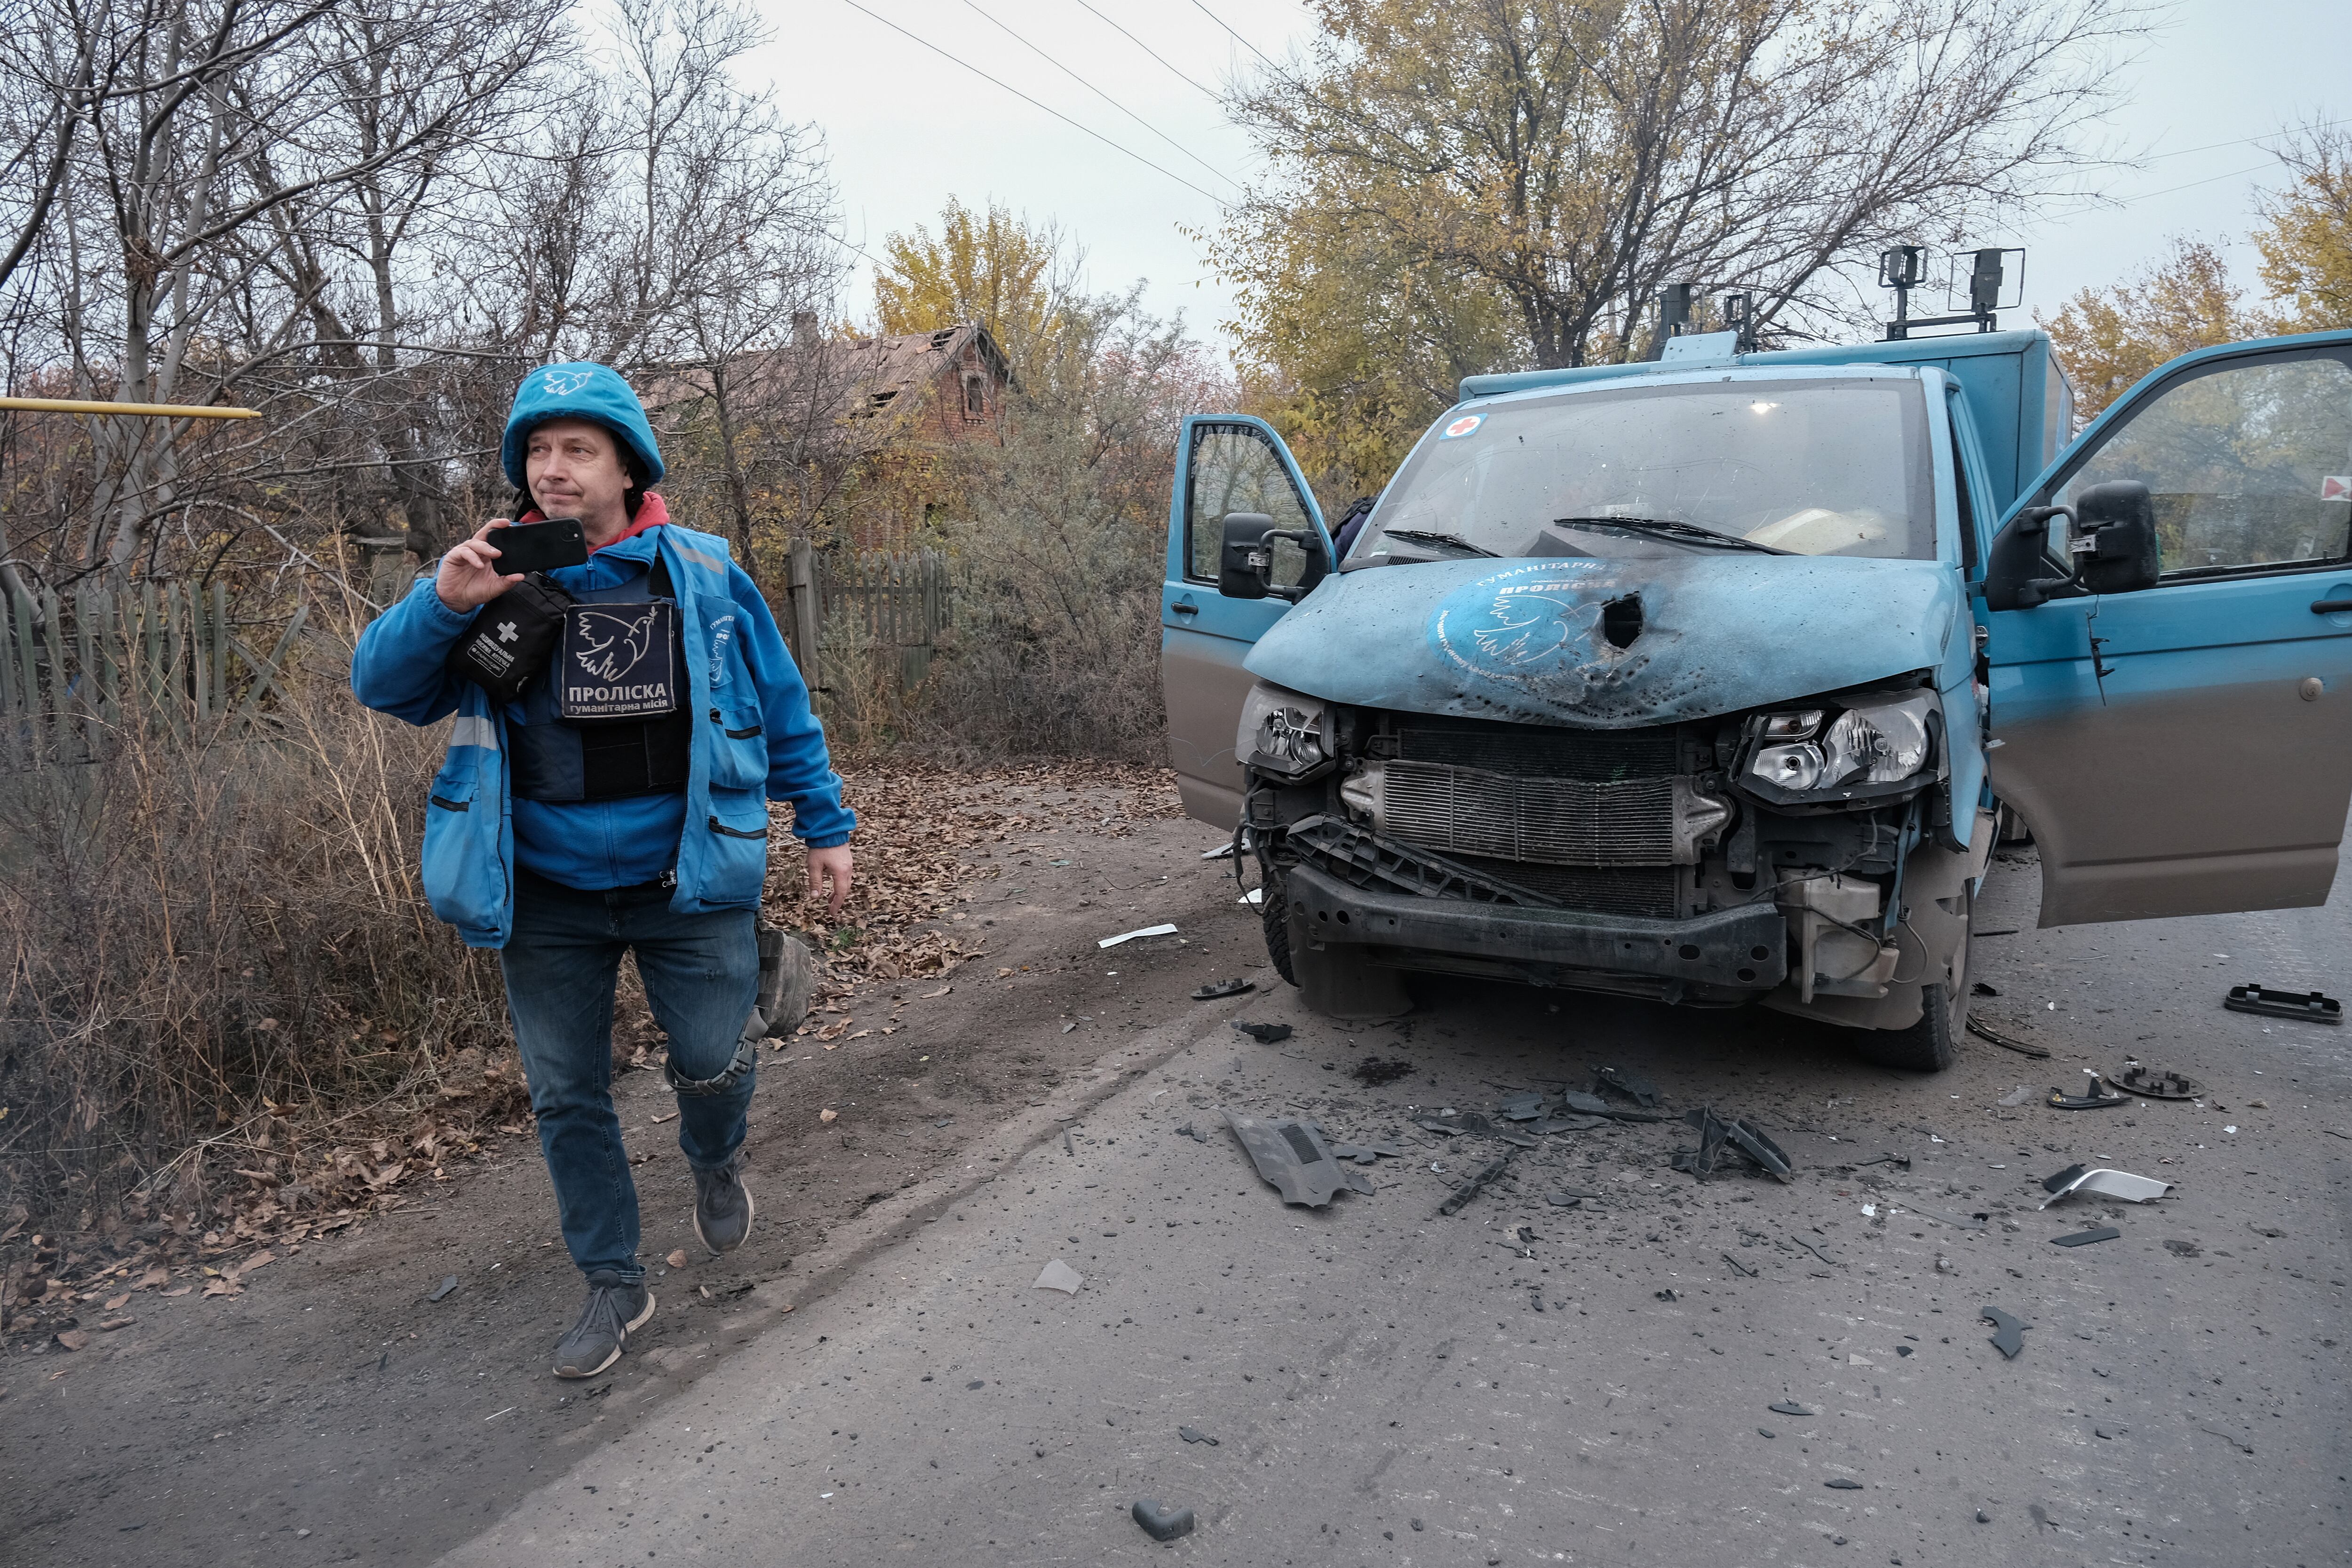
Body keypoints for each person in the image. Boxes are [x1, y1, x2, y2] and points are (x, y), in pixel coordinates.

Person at [353, 362, 854, 1379]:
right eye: (537, 450)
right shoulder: (487, 582)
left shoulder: (707, 575)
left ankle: (715, 1156)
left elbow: (783, 702)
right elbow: (383, 686)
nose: (553, 468)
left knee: (713, 1058)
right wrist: (444, 604)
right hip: (543, 893)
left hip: (692, 879)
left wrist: (824, 822)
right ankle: (613, 1280)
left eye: (578, 447)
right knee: (566, 1094)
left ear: (629, 464)